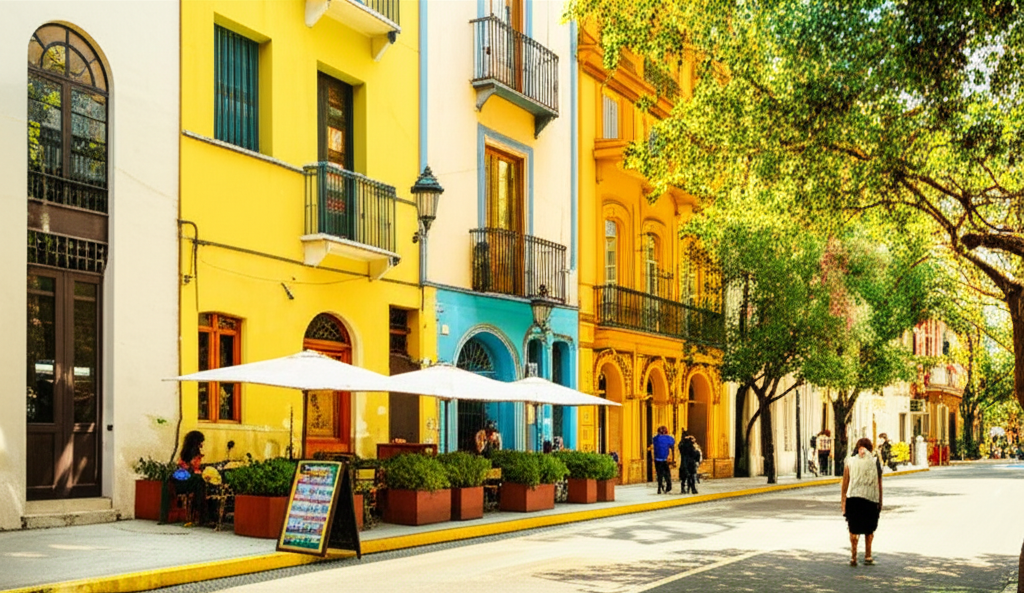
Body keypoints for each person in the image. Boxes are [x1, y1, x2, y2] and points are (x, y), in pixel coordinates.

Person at [841, 437, 883, 566]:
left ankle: (853, 557)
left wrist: (843, 501)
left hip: (853, 498)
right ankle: (867, 555)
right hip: (870, 498)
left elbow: (845, 483)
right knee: (869, 529)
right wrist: (880, 501)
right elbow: (879, 484)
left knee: (853, 528)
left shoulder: (850, 461)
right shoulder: (875, 462)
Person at [159, 430, 209, 525]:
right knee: (200, 483)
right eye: (201, 442)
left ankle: (199, 515)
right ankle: (201, 515)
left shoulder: (184, 453)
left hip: (179, 481)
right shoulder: (194, 454)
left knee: (199, 482)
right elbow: (193, 469)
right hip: (185, 482)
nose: (202, 444)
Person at [650, 425, 675, 494]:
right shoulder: (669, 438)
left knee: (659, 473)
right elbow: (672, 447)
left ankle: (659, 487)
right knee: (667, 474)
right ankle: (668, 486)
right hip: (665, 459)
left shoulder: (655, 438)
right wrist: (673, 459)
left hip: (657, 459)